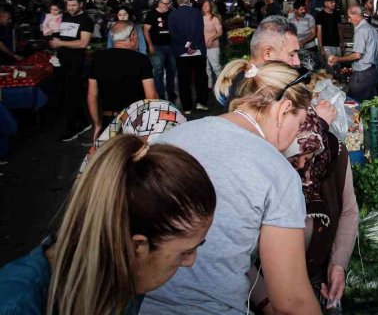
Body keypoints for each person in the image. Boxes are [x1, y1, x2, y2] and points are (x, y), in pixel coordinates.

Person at [140, 60, 322, 315]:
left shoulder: (172, 138)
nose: (297, 134)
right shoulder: (276, 171)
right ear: (284, 110)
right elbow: (292, 303)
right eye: (300, 123)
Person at [0, 134, 216, 315]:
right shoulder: (17, 305)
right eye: (186, 251)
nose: (190, 262)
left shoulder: (124, 272)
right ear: (135, 247)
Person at [251, 112, 358, 310]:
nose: (301, 165)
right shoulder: (258, 166)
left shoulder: (333, 153)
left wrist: (338, 264)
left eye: (308, 155)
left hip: (315, 277)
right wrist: (265, 302)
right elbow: (241, 251)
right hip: (263, 289)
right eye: (293, 156)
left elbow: (348, 211)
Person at [87, 21, 157, 141]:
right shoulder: (141, 60)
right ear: (133, 36)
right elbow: (151, 96)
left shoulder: (97, 59)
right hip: (135, 119)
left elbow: (92, 96)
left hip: (109, 120)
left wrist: (97, 124)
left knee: (112, 158)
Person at [49, 0, 94, 142]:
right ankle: (84, 122)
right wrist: (54, 42)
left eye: (74, 5)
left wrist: (60, 43)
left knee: (71, 95)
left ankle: (72, 129)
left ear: (81, 4)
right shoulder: (65, 16)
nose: (71, 8)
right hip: (61, 60)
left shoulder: (86, 20)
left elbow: (83, 43)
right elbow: (59, 34)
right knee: (64, 93)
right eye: (68, 5)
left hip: (75, 62)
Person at [328, 5, 378, 101]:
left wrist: (338, 59)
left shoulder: (361, 30)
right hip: (373, 72)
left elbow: (357, 55)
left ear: (356, 15)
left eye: (350, 17)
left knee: (355, 102)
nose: (349, 20)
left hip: (362, 73)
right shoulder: (372, 29)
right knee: (371, 103)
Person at [168, 0, 208, 114]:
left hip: (181, 52)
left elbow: (173, 34)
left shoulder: (172, 15)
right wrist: (193, 45)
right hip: (198, 50)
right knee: (200, 77)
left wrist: (186, 47)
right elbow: (200, 31)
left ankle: (187, 107)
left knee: (183, 79)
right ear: (189, 0)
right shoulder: (196, 13)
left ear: (178, 1)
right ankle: (202, 103)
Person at [143, 0, 177, 103]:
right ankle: (160, 94)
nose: (167, 6)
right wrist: (150, 45)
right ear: (159, 3)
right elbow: (146, 30)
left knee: (171, 70)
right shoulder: (151, 14)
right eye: (165, 4)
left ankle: (171, 91)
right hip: (157, 46)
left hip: (171, 46)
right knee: (158, 71)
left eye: (168, 4)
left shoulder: (171, 13)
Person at [200, 0, 224, 86]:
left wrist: (211, 39)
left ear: (211, 7)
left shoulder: (215, 18)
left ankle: (221, 85)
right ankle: (209, 85)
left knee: (216, 67)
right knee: (206, 67)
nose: (204, 7)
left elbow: (220, 32)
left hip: (213, 46)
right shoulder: (200, 18)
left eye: (207, 5)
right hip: (202, 47)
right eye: (203, 5)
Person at [315, 0, 342, 66]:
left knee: (338, 66)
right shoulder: (320, 15)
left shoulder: (337, 13)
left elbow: (339, 29)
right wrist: (321, 49)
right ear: (325, 3)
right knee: (330, 67)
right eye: (331, 2)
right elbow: (319, 32)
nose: (334, 4)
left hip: (337, 45)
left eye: (334, 2)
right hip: (326, 46)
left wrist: (342, 43)